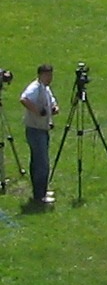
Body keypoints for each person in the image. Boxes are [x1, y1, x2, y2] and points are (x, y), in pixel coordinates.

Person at [20, 63, 59, 204]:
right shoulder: (34, 88)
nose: (50, 78)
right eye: (48, 75)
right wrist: (38, 111)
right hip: (35, 130)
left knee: (38, 161)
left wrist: (54, 108)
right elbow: (24, 99)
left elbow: (52, 102)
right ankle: (40, 196)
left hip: (42, 129)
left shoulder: (45, 88)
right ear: (41, 75)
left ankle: (40, 190)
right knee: (42, 163)